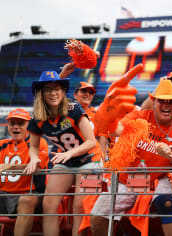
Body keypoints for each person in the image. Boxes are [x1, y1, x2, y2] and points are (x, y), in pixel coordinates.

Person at [90, 79, 172, 236]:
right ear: (154, 101)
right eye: (161, 101)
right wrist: (106, 112)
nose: (166, 105)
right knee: (97, 216)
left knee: (167, 202)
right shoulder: (140, 117)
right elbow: (117, 129)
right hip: (128, 178)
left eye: (171, 101)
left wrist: (170, 154)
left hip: (158, 178)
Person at [23, 71, 101, 236]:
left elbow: (91, 141)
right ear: (40, 93)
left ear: (63, 91)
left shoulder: (74, 109)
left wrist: (70, 153)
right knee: (49, 204)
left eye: (57, 88)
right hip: (67, 160)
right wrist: (34, 159)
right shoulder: (37, 117)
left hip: (91, 159)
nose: (53, 93)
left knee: (80, 205)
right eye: (48, 89)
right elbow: (34, 146)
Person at [0, 108, 49, 236]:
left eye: (20, 123)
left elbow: (37, 167)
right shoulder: (2, 145)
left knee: (26, 200)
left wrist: (9, 167)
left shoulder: (39, 143)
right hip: (3, 194)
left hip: (30, 193)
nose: (16, 127)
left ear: (29, 126)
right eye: (12, 123)